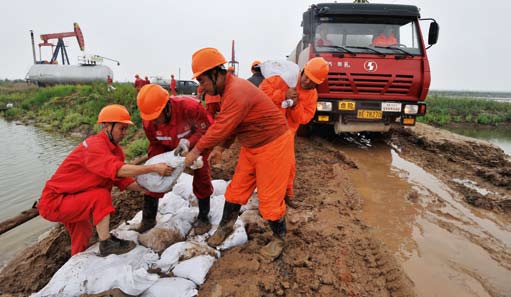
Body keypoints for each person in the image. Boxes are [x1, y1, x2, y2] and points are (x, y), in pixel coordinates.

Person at [184, 47, 294, 260]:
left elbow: (221, 127)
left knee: (269, 202)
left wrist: (196, 150)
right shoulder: (228, 92)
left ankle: (280, 238)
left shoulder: (237, 91)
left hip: (273, 146)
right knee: (235, 191)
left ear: (216, 73)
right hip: (251, 147)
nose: (202, 88)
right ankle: (225, 227)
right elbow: (232, 125)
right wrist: (221, 148)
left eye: (203, 81)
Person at [37, 105, 173, 257]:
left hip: (73, 198)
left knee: (82, 232)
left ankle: (77, 261)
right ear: (107, 126)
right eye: (121, 128)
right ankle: (106, 244)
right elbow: (118, 170)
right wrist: (153, 168)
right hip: (54, 201)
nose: (124, 133)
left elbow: (123, 181)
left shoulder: (115, 151)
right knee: (100, 196)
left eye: (125, 129)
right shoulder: (94, 146)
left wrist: (151, 188)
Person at [135, 84, 214, 235]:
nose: (154, 121)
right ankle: (148, 219)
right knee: (153, 173)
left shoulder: (189, 108)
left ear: (166, 107)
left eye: (156, 117)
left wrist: (188, 143)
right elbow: (156, 144)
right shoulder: (149, 121)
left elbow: (206, 131)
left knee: (201, 173)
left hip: (195, 145)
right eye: (151, 118)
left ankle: (203, 217)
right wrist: (158, 165)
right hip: (166, 147)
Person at [259, 58, 329, 209]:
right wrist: (283, 95)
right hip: (268, 129)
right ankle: (263, 193)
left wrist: (295, 106)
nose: (307, 82)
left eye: (312, 82)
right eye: (306, 77)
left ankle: (287, 195)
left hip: (287, 134)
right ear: (303, 71)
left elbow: (304, 118)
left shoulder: (312, 96)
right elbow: (262, 94)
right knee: (262, 163)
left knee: (289, 165)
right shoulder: (285, 77)